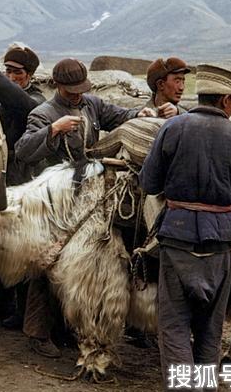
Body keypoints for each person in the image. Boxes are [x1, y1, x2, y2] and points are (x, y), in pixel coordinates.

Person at [138, 64, 231, 392]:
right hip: (222, 241)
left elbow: (149, 182)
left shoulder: (173, 128)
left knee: (174, 327)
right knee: (210, 328)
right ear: (226, 100)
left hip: (178, 235)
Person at [15, 58, 140, 357]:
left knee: (77, 264)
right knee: (48, 263)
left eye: (80, 89)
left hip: (87, 195)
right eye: (71, 89)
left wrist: (143, 112)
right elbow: (23, 150)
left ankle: (64, 328)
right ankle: (37, 332)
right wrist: (53, 131)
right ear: (57, 86)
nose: (77, 94)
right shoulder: (43, 114)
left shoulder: (91, 105)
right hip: (56, 201)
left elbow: (121, 116)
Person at [0, 46, 46, 328]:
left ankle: (19, 312)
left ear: (29, 75)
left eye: (17, 72)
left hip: (23, 182)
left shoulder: (38, 100)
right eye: (7, 71)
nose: (11, 76)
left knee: (18, 248)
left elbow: (26, 108)